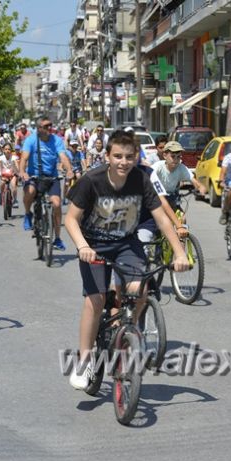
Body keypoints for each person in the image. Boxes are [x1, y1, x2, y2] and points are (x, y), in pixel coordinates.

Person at [64, 130, 190, 390]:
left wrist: (180, 252)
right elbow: (71, 219)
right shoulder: (92, 180)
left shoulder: (141, 180)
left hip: (126, 245)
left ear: (136, 157)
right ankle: (85, 360)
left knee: (139, 289)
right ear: (108, 156)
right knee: (95, 300)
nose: (123, 162)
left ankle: (126, 332)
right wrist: (82, 245)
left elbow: (161, 218)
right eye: (118, 156)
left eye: (129, 157)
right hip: (94, 246)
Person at [19, 116, 74, 250]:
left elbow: (63, 156)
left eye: (50, 125)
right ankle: (28, 214)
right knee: (30, 192)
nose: (50, 128)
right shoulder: (30, 140)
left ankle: (58, 238)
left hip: (51, 177)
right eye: (46, 126)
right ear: (39, 129)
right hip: (34, 176)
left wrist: (69, 170)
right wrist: (22, 171)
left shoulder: (56, 140)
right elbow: (24, 158)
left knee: (56, 204)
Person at [149, 141, 207, 206]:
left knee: (181, 216)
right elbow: (147, 177)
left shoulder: (181, 168)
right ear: (165, 156)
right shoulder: (158, 167)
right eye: (173, 156)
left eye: (178, 157)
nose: (176, 160)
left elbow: (193, 180)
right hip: (158, 199)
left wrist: (200, 187)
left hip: (173, 198)